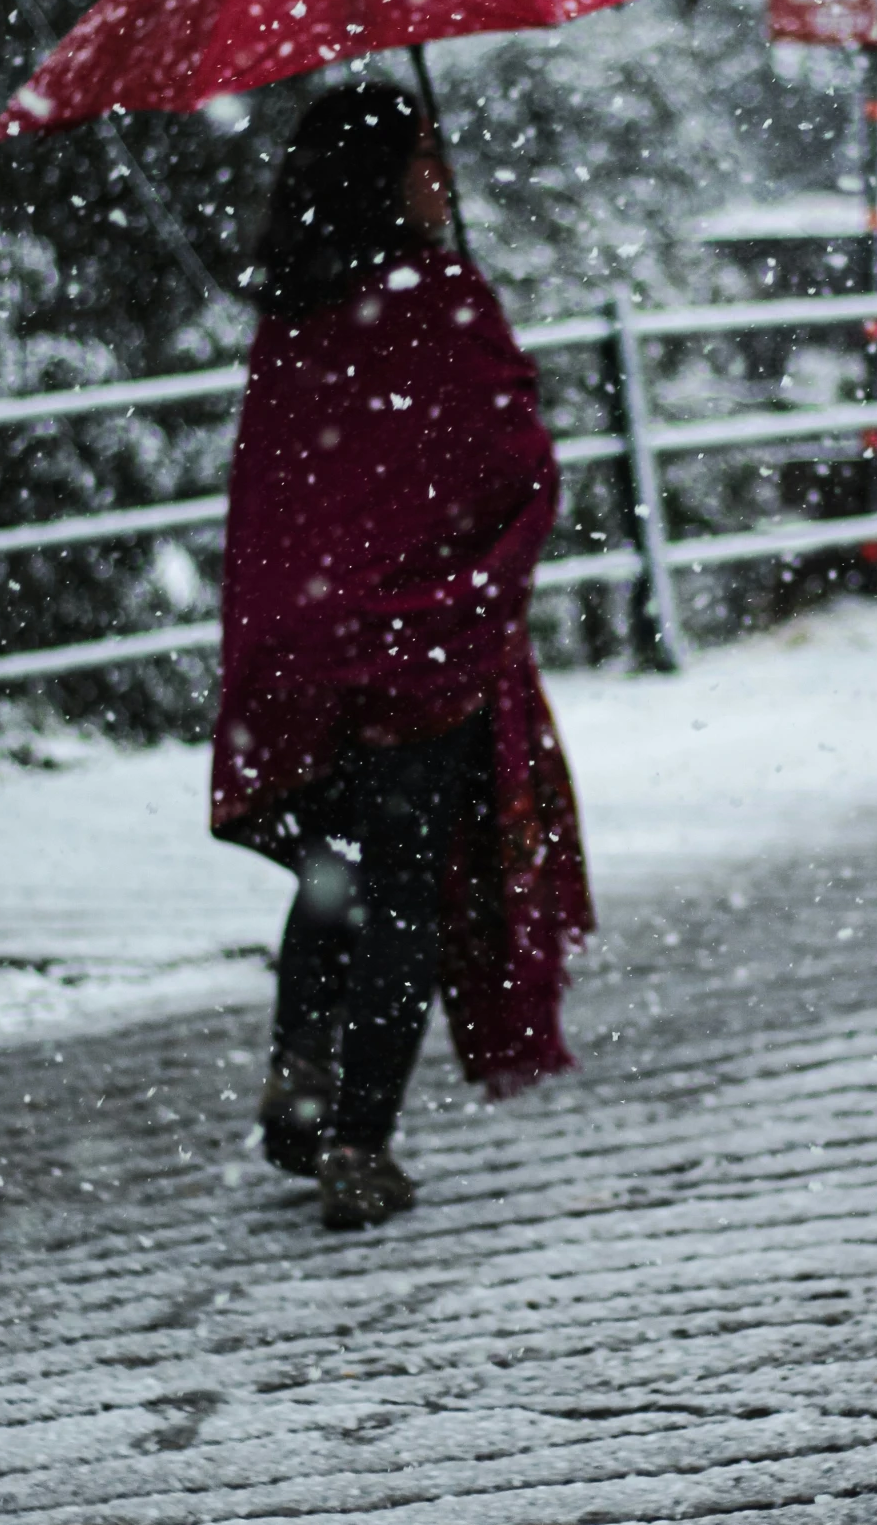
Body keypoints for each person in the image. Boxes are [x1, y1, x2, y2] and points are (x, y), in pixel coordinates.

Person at [210, 80, 592, 1231]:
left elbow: (289, 496)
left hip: (308, 648)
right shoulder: (438, 298)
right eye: (425, 153)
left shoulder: (296, 312)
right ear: (388, 176)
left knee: (337, 868)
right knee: (405, 891)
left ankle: (300, 1066)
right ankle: (360, 1139)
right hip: (418, 644)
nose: (439, 171)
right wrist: (506, 384)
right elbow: (507, 471)